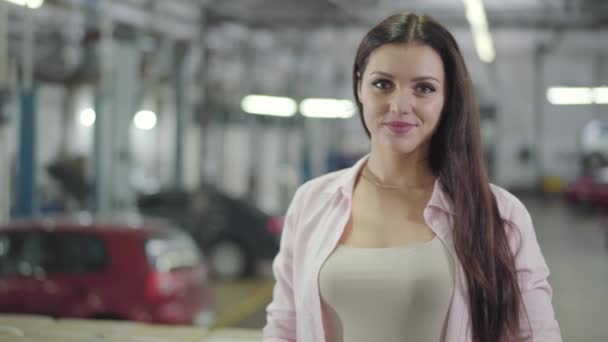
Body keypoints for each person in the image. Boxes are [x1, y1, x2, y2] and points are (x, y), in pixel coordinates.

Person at [262, 12, 562, 342]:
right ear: (359, 85)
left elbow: (534, 336)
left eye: (423, 88)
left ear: (447, 99)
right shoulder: (312, 202)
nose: (399, 105)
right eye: (382, 84)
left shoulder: (499, 213)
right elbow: (284, 328)